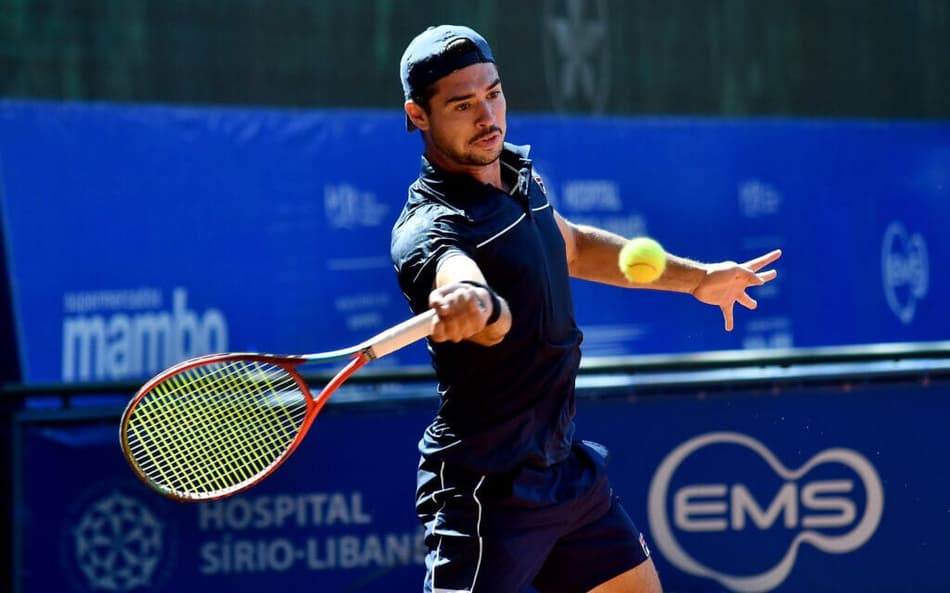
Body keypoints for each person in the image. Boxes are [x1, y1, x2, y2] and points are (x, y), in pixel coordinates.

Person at [391, 25, 781, 593]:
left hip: (564, 469)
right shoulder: (430, 230)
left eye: (494, 93)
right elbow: (469, 288)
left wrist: (698, 279)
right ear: (419, 115)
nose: (488, 117)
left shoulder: (518, 177)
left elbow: (570, 245)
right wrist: (473, 304)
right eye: (463, 104)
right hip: (488, 492)